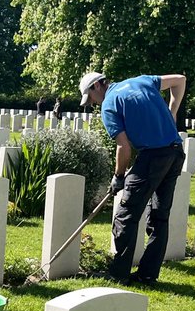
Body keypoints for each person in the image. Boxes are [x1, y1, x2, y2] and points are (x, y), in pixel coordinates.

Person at [79, 71, 186, 285]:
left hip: (152, 157)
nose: (92, 103)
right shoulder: (142, 81)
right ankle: (147, 275)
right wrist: (172, 112)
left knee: (125, 216)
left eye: (90, 98)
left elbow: (123, 146)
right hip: (175, 153)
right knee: (159, 217)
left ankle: (118, 274)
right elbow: (180, 80)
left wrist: (118, 176)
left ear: (96, 87)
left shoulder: (109, 104)